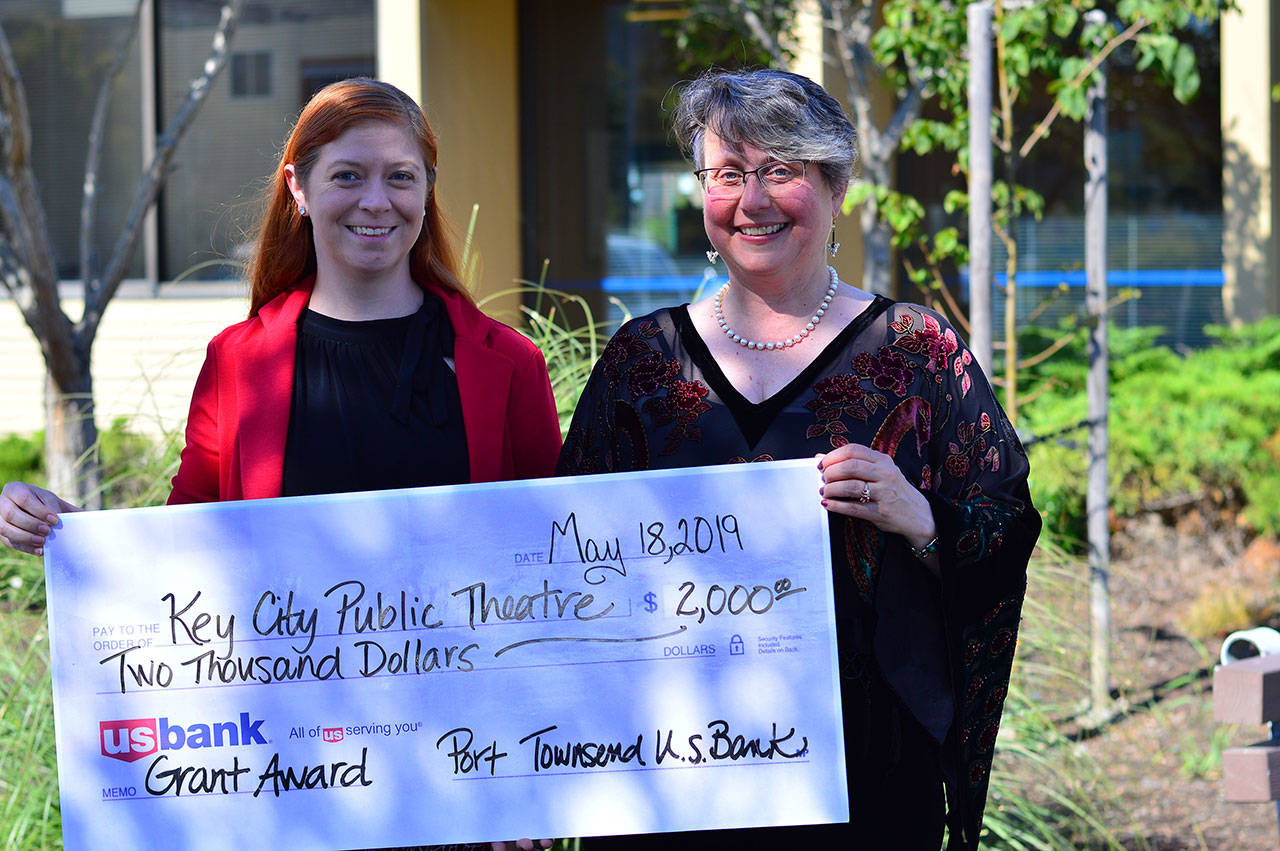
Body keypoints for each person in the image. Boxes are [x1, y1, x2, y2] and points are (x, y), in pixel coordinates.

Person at [0, 78, 558, 851]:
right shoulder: (237, 363)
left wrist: (533, 772)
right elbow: (183, 554)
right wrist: (67, 530)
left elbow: (548, 580)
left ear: (428, 189)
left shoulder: (508, 365)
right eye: (347, 175)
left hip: (460, 784)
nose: (377, 200)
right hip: (285, 783)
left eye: (401, 175)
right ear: (297, 185)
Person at [557, 69, 1041, 850]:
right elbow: (565, 562)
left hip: (866, 791)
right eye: (727, 174)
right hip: (671, 781)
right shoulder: (641, 363)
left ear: (838, 184)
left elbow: (1007, 525)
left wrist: (918, 517)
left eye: (781, 170)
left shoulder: (917, 352)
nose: (752, 200)